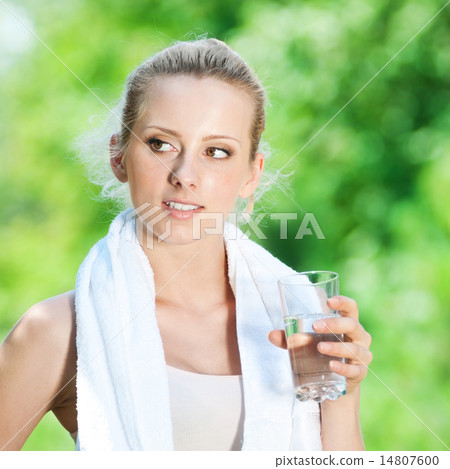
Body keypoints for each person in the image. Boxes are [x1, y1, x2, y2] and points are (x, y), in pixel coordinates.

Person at [0, 38, 372, 451]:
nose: (185, 174)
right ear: (119, 156)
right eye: (160, 143)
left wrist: (344, 389)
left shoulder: (303, 316)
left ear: (252, 173)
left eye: (217, 151)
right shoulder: (59, 330)